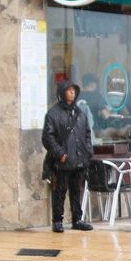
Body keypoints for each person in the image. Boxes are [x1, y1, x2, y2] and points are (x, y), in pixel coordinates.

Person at [41, 81, 94, 233]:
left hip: (79, 159)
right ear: (62, 93)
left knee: (76, 191)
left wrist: (87, 152)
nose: (72, 93)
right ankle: (57, 221)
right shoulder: (53, 114)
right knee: (59, 191)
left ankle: (77, 219)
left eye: (74, 90)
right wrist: (60, 154)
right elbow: (47, 137)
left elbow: (87, 134)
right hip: (63, 160)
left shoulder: (80, 113)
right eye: (69, 90)